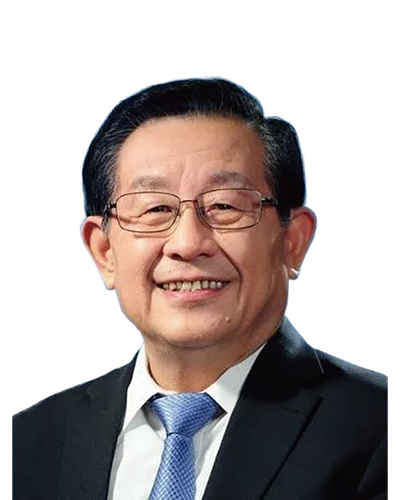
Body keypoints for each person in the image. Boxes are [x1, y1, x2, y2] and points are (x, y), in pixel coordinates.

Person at [13, 78, 387, 500]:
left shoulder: (381, 431)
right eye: (155, 209)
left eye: (225, 205)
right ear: (104, 252)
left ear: (291, 241)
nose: (188, 243)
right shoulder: (25, 446)